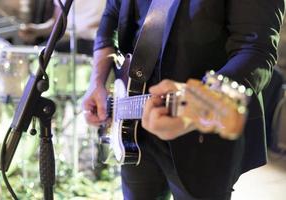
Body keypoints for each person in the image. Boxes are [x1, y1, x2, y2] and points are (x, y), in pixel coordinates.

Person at [82, 0, 285, 199]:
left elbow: (255, 51)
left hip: (201, 132)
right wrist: (97, 82)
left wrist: (208, 97)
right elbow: (110, 17)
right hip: (133, 125)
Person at [18, 0, 106, 55]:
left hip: (95, 41)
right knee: (39, 55)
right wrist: (37, 30)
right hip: (69, 40)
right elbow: (57, 23)